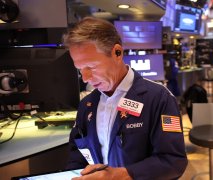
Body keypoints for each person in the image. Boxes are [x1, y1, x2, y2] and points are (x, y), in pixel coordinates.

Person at [63, 17, 188, 180]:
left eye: (92, 67)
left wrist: (122, 175)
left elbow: (174, 162)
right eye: (80, 69)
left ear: (117, 53)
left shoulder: (159, 98)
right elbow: (77, 158)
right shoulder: (87, 105)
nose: (85, 78)